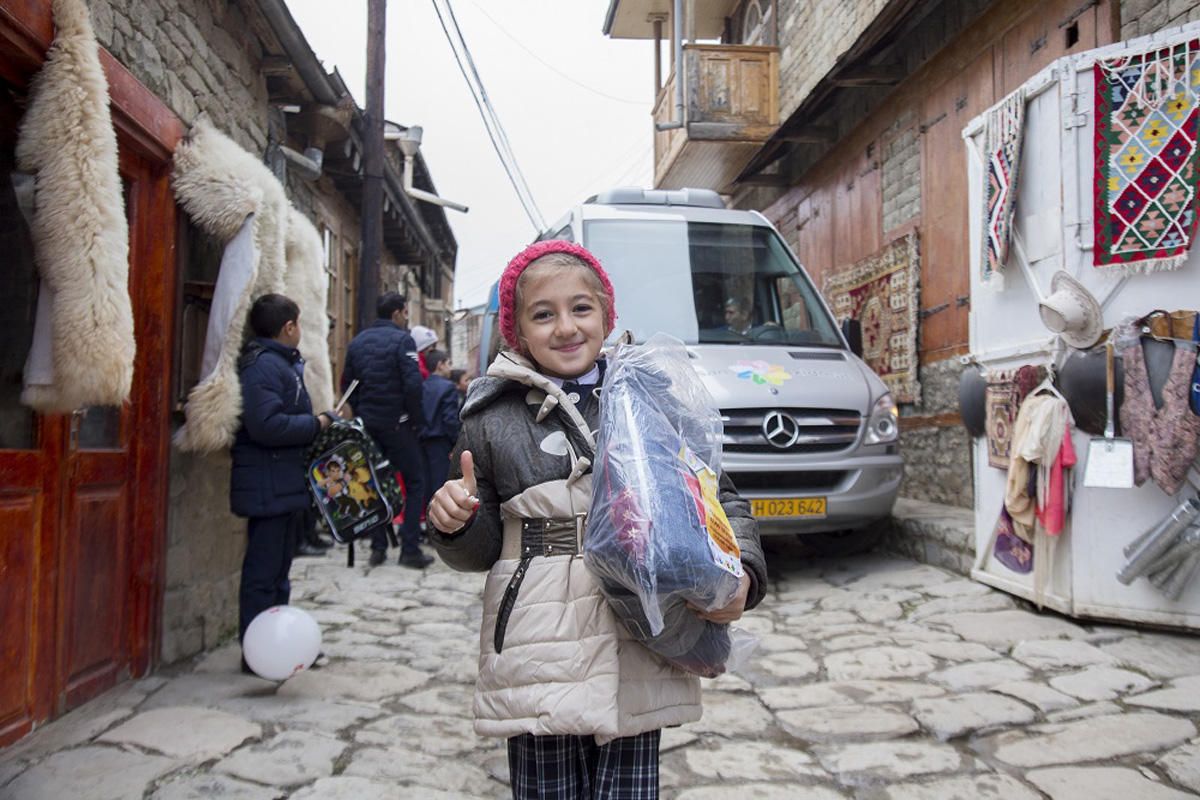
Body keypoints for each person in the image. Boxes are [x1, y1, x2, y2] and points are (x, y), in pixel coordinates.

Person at [426, 240, 767, 799]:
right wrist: (455, 523)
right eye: (544, 313)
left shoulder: (650, 396)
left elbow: (718, 498)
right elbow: (480, 548)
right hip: (541, 644)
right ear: (517, 330)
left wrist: (744, 574)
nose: (565, 327)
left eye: (581, 308)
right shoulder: (490, 418)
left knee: (630, 787)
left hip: (637, 630)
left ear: (607, 314)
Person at [229, 293, 333, 671]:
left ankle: (275, 647)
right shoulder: (263, 368)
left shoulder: (279, 365)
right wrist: (317, 424)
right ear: (288, 327)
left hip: (281, 482)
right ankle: (255, 653)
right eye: (298, 324)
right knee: (262, 575)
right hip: (267, 483)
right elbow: (266, 425)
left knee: (278, 574)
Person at [341, 291, 433, 569]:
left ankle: (378, 546)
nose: (406, 318)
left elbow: (347, 385)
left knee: (376, 482)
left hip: (369, 426)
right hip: (398, 425)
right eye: (406, 313)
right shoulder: (402, 340)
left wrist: (360, 414)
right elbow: (413, 385)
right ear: (397, 313)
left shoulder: (357, 342)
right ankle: (409, 548)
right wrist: (417, 421)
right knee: (415, 481)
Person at [419, 348, 463, 516]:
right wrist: (455, 442)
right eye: (448, 364)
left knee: (426, 484)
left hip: (422, 441)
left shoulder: (422, 386)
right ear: (440, 365)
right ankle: (437, 524)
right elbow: (450, 420)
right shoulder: (448, 388)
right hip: (440, 442)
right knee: (439, 485)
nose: (450, 368)